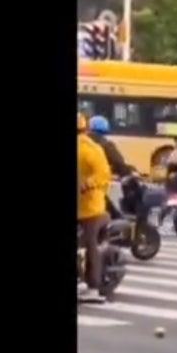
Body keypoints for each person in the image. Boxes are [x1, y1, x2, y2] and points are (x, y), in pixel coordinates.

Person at [77, 113, 113, 298]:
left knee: (91, 247)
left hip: (91, 208)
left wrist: (87, 184)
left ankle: (93, 288)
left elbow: (103, 174)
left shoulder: (90, 148)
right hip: (84, 206)